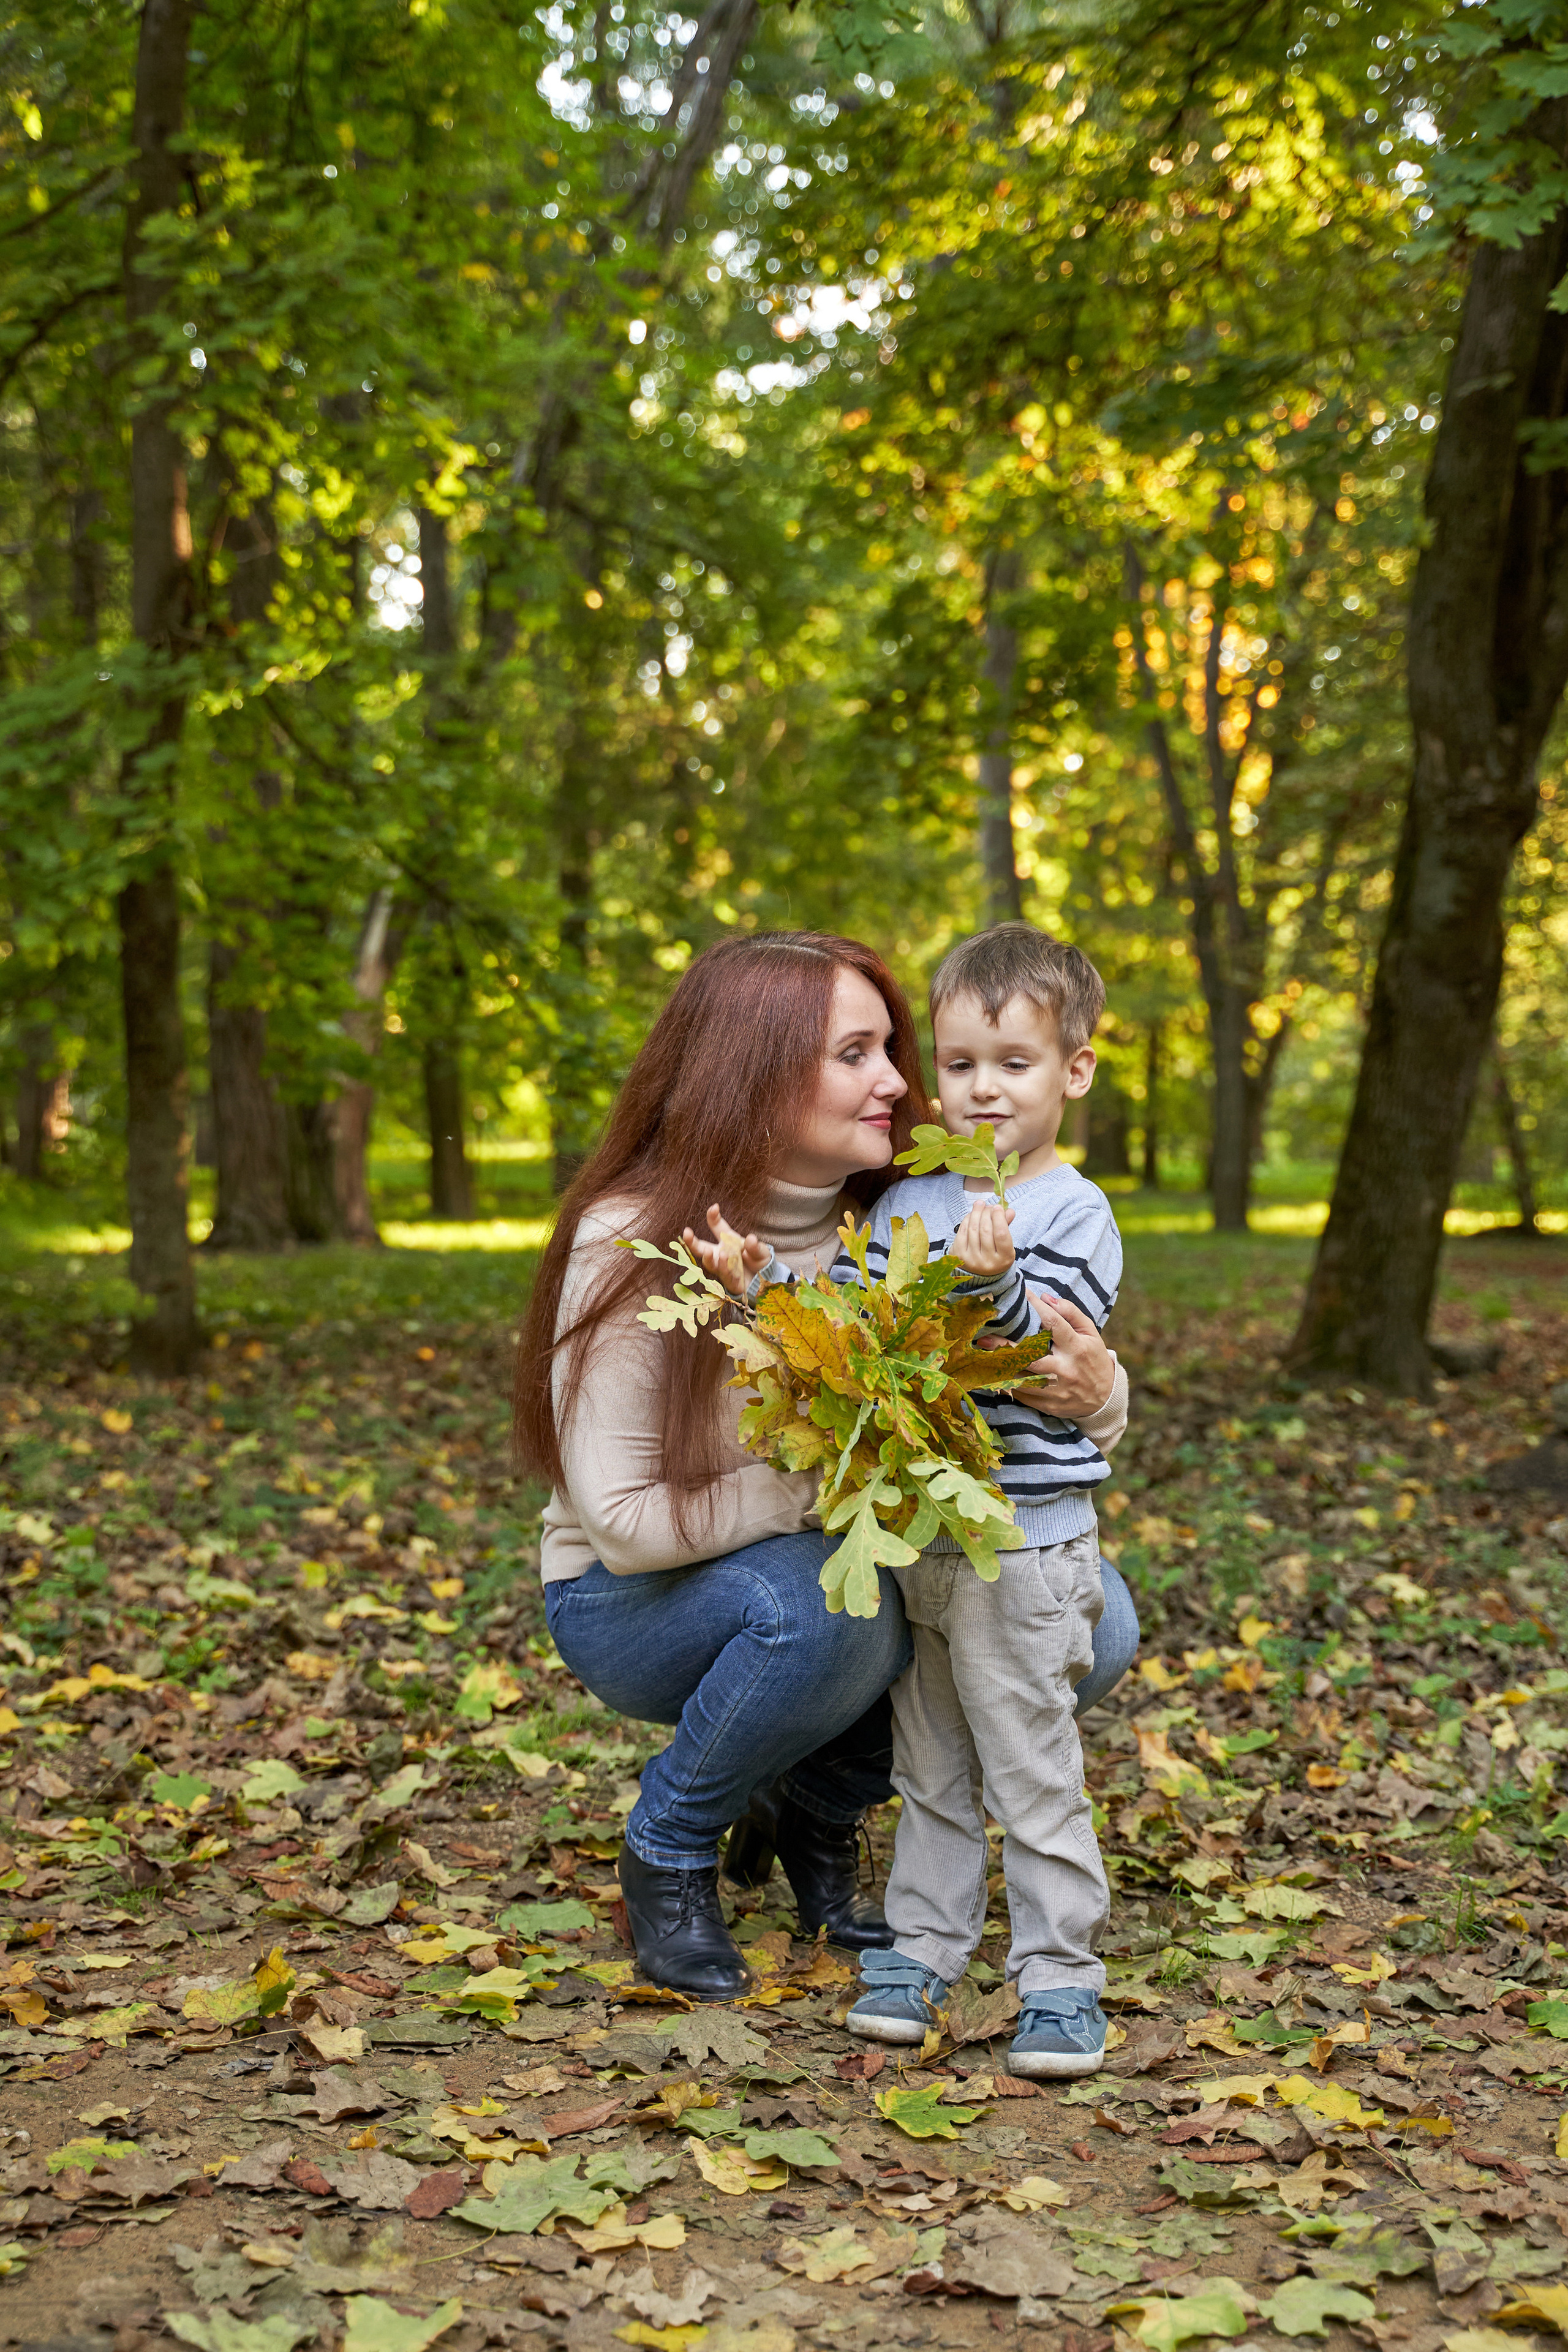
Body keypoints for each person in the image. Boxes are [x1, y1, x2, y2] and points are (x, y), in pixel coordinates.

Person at [513, 930, 1137, 1999]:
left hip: (827, 1550)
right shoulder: (635, 1236)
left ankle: (815, 1810)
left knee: (1088, 1614)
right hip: (635, 1598)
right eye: (859, 1053)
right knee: (837, 1612)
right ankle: (669, 1846)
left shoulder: (896, 1211)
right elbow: (620, 1523)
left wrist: (1104, 1395)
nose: (901, 1080)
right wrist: (849, 1496)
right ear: (753, 1068)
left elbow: (1006, 1376)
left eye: (892, 1048)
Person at [839, 923, 1124, 2078]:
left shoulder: (1070, 1210)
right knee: (931, 1764)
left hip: (1025, 1544)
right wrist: (778, 1301)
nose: (983, 1088)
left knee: (1031, 1765)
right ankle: (922, 1948)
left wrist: (991, 1284)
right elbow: (860, 1324)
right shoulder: (911, 1197)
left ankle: (1061, 1977)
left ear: (1075, 1070)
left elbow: (1031, 1360)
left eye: (1014, 1061)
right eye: (959, 1064)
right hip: (922, 1537)